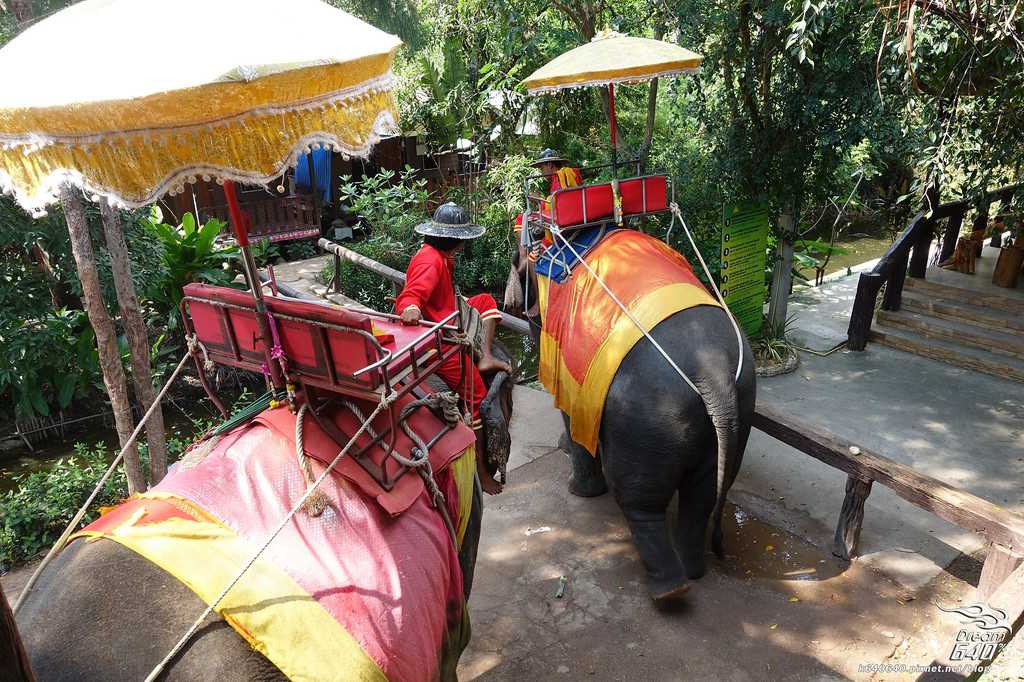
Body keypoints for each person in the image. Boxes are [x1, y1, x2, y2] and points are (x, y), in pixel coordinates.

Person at [396, 202, 512, 495]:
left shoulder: (440, 257)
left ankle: (485, 356)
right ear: (456, 240)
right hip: (441, 342)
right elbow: (412, 296)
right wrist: (410, 306)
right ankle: (482, 474)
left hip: (448, 316)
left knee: (485, 300)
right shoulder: (430, 261)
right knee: (478, 398)